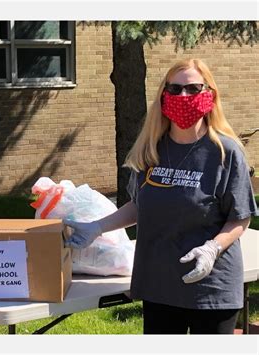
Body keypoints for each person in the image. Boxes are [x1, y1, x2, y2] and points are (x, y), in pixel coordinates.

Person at [64, 58, 258, 334]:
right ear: (164, 96)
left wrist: (211, 249)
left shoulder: (225, 153)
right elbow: (138, 205)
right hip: (159, 285)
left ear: (209, 94)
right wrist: (97, 227)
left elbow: (240, 218)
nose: (183, 96)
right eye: (175, 89)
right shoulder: (150, 149)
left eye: (193, 88)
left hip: (210, 288)